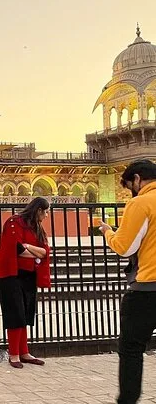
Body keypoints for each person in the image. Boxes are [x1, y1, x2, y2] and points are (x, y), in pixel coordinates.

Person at [99, 159, 156, 404]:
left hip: (148, 289)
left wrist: (108, 232)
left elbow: (125, 247)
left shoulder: (141, 202)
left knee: (132, 349)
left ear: (137, 179)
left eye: (129, 185)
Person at [0, 196, 51, 368]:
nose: (47, 216)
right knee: (16, 313)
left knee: (25, 312)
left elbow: (45, 251)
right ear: (38, 210)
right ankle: (14, 354)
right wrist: (36, 253)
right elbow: (15, 249)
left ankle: (24, 352)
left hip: (28, 273)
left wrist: (29, 247)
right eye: (46, 212)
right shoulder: (15, 222)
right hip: (10, 273)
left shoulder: (36, 227)